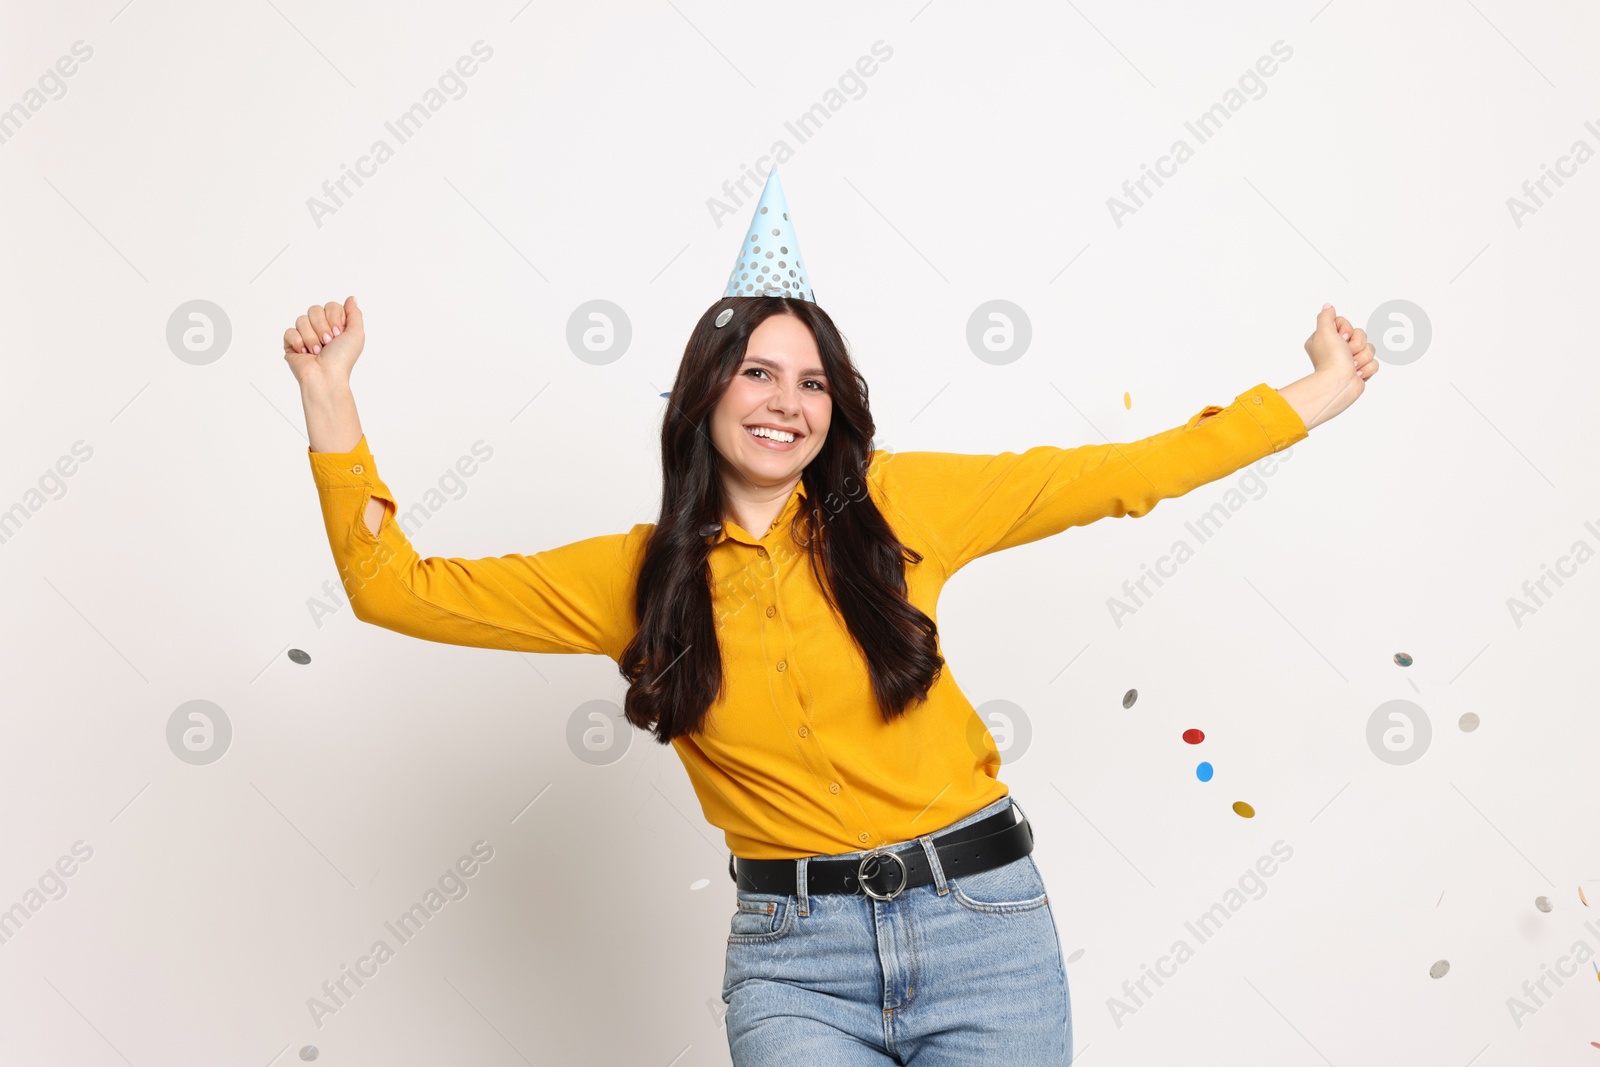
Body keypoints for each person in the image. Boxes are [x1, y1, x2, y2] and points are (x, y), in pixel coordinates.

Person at [280, 169, 1376, 1065]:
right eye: (755, 372)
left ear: (833, 406)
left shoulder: (904, 504)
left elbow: (1119, 473)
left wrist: (1313, 393)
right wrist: (330, 393)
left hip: (983, 927)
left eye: (809, 382)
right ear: (703, 393)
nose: (784, 402)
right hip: (795, 960)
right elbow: (398, 588)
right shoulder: (633, 577)